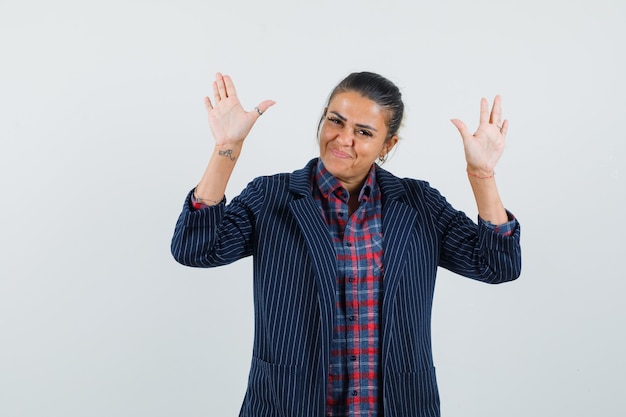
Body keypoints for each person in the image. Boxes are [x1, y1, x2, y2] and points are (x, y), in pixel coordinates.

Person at [171, 71, 521, 417]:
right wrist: (227, 147)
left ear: (388, 145)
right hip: (287, 403)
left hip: (400, 405)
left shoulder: (419, 205)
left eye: (364, 132)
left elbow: (497, 266)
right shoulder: (270, 197)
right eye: (335, 121)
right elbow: (195, 249)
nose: (342, 139)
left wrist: (482, 175)